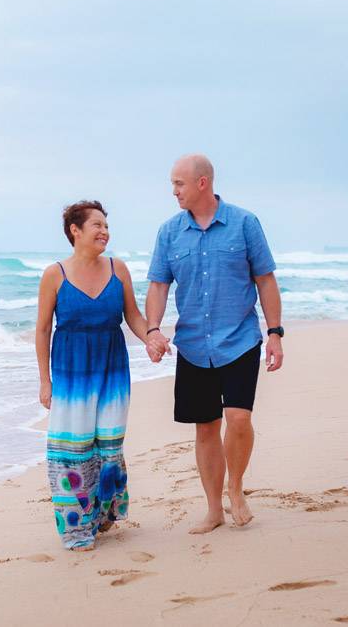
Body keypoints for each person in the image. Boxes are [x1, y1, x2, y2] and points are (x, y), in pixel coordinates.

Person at [145, 153, 283, 534]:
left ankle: (236, 488)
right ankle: (214, 509)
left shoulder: (244, 223)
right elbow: (158, 285)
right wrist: (153, 330)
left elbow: (266, 281)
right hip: (191, 345)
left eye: (179, 183)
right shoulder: (169, 232)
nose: (173, 191)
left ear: (202, 183)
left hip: (239, 339)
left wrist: (275, 333)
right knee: (205, 428)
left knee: (238, 419)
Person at [36, 200, 156, 551]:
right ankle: (74, 528)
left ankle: (102, 515)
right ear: (76, 231)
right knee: (72, 450)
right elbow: (43, 330)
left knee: (109, 446)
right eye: (97, 225)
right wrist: (45, 381)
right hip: (72, 372)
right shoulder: (54, 274)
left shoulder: (118, 269)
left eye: (106, 225)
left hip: (113, 368)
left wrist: (151, 336)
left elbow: (132, 315)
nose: (105, 231)